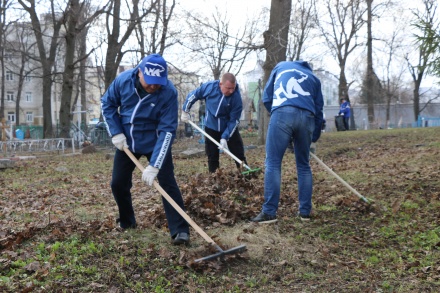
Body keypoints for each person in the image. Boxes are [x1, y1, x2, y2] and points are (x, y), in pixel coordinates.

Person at [101, 53, 190, 245]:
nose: (153, 86)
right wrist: (116, 133)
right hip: (127, 141)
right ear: (139, 72)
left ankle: (180, 231)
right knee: (118, 183)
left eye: (157, 82)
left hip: (155, 141)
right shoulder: (123, 81)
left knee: (168, 183)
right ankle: (127, 222)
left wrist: (155, 164)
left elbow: (167, 130)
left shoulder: (168, 92)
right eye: (149, 82)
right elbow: (107, 104)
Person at [250, 60, 324, 223]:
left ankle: (269, 212)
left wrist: (278, 114)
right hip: (307, 117)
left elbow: (267, 97)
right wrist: (314, 135)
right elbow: (319, 110)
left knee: (273, 163)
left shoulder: (280, 67)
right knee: (304, 165)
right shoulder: (313, 78)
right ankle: (305, 212)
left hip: (282, 112)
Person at [181, 73, 247, 173]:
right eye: (228, 88)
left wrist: (225, 137)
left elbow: (234, 120)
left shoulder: (236, 97)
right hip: (211, 126)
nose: (231, 91)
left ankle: (247, 176)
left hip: (227, 127)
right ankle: (214, 180)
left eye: (233, 88)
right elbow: (194, 95)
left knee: (238, 153)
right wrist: (185, 110)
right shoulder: (209, 87)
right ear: (221, 84)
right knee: (212, 156)